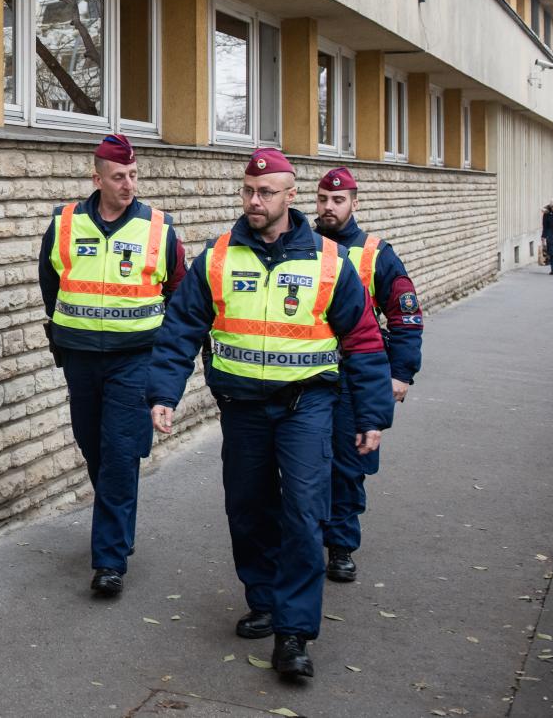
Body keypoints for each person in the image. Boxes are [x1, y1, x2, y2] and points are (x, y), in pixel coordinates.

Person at [147, 149, 391, 679]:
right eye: (248, 192)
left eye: (265, 193)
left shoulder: (330, 262)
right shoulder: (216, 257)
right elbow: (181, 327)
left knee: (304, 513)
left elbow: (365, 340)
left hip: (308, 406)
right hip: (242, 409)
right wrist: (163, 393)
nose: (254, 202)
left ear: (290, 196)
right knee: (249, 508)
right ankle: (262, 598)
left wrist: (371, 414)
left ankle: (294, 632)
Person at [39, 133, 185, 599]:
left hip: (134, 359)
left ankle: (109, 559)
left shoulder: (159, 229)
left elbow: (179, 295)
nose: (129, 185)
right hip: (80, 359)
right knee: (93, 447)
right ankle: (115, 525)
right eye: (119, 176)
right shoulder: (64, 224)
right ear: (97, 177)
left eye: (133, 175)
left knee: (119, 453)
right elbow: (51, 283)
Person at [312, 167, 423, 584]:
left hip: (355, 378)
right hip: (306, 376)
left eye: (338, 201)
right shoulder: (301, 247)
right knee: (307, 464)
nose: (328, 207)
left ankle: (340, 546)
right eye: (323, 199)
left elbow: (406, 314)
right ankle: (307, 538)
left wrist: (401, 372)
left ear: (354, 204)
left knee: (348, 464)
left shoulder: (376, 254)